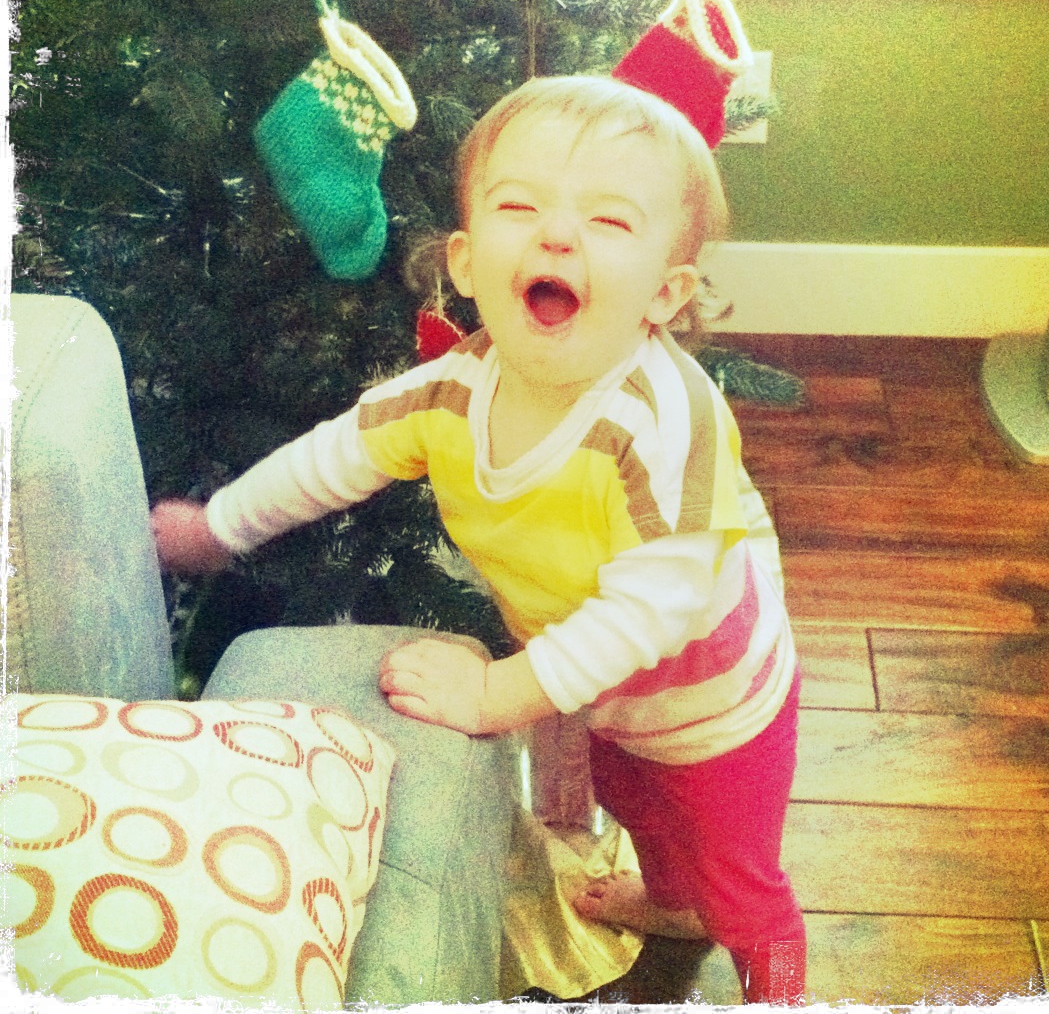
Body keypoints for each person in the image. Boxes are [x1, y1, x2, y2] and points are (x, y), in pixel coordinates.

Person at [152, 74, 806, 1005]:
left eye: (608, 221)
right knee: (642, 812)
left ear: (665, 293)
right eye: (520, 206)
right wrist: (215, 532)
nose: (558, 234)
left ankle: (776, 983)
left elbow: (654, 611)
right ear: (465, 261)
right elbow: (331, 458)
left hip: (718, 710)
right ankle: (672, 905)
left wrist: (497, 695)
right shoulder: (450, 392)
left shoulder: (664, 423)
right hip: (604, 698)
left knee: (745, 892)